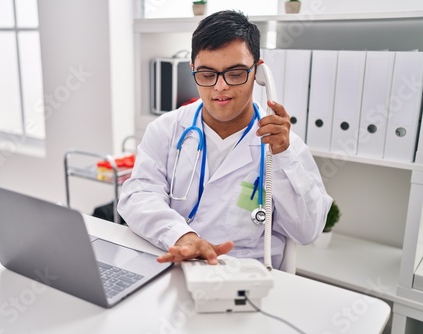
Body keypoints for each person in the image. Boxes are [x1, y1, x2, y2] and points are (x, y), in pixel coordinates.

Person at [117, 10, 332, 268]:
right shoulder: (166, 130)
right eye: (207, 74)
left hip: (243, 282)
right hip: (173, 268)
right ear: (193, 70)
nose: (221, 87)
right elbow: (138, 196)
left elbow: (308, 231)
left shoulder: (285, 146)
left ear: (259, 73)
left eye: (236, 73)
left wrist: (283, 156)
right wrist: (182, 236)